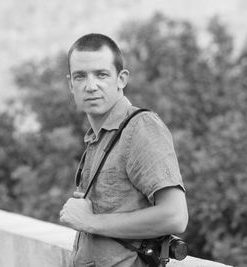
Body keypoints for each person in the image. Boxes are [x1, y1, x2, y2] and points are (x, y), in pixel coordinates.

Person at [59, 33, 188, 267]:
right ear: (71, 84)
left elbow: (175, 216)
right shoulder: (98, 138)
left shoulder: (140, 127)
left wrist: (90, 222)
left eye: (101, 74)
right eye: (80, 76)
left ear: (121, 79)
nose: (91, 86)